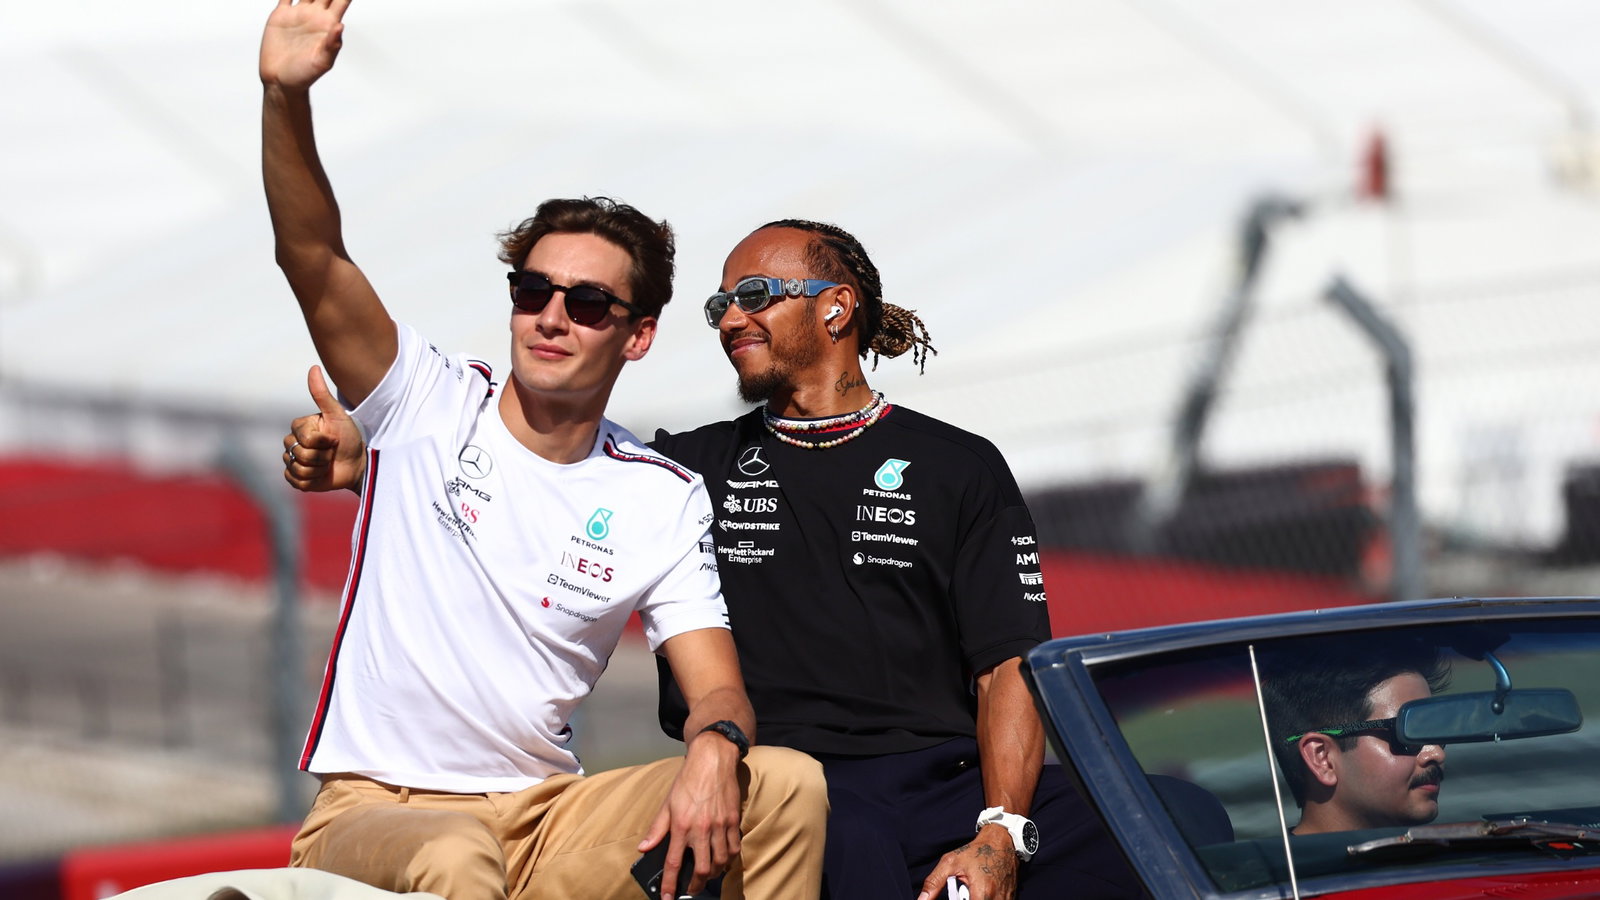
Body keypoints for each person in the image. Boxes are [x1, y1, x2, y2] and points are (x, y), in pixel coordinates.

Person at [287, 220, 1143, 899]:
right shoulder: (684, 470)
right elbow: (537, 488)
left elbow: (1009, 667)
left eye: (757, 295)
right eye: (721, 303)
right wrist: (369, 467)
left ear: (837, 309)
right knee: (844, 837)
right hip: (796, 779)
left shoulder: (960, 465)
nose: (732, 317)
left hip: (942, 777)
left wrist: (1000, 831)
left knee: (1156, 827)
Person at [258, 2, 826, 898]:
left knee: (786, 782)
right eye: (533, 290)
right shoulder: (425, 400)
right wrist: (284, 97)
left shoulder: (662, 495)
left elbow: (716, 689)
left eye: (590, 303)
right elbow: (312, 255)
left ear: (636, 337)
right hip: (378, 812)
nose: (554, 316)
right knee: (456, 856)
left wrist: (717, 749)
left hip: (542, 816)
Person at [1260, 636, 1452, 835]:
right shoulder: (1274, 866)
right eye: (1407, 732)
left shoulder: (1457, 860)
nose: (1436, 753)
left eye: (1433, 730)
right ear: (1322, 757)